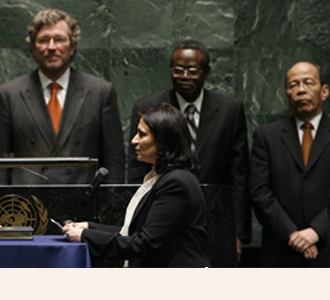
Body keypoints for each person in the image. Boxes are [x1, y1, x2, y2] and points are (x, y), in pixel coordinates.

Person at [127, 40, 251, 261]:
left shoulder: (230, 110)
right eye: (178, 69)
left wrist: (239, 232)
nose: (184, 75)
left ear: (206, 72)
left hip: (216, 217)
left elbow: (239, 175)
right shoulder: (148, 108)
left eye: (192, 70)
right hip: (160, 218)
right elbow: (137, 172)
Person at [63, 103, 210, 267]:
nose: (134, 140)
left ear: (163, 141)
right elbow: (133, 232)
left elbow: (143, 243)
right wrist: (90, 228)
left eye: (142, 134)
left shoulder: (176, 183)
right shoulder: (161, 176)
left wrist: (85, 236)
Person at [0, 9, 124, 184]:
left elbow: (114, 163)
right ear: (33, 48)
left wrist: (111, 208)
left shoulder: (101, 92)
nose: (51, 47)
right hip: (27, 204)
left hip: (83, 201)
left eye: (59, 39)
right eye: (44, 40)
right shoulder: (9, 94)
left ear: (73, 46)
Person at [250, 61, 330, 267]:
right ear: (286, 94)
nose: (301, 90)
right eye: (293, 85)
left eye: (308, 83)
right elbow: (259, 191)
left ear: (324, 91)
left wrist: (317, 231)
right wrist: (293, 235)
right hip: (281, 251)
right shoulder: (266, 136)